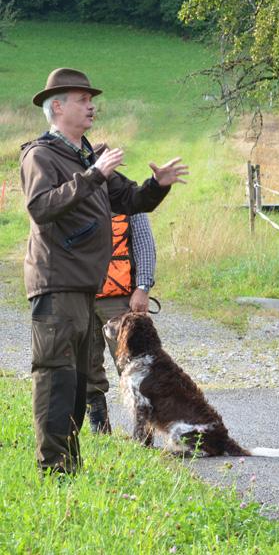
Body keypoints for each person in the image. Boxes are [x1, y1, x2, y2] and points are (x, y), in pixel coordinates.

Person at [21, 67, 188, 475]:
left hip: (84, 286)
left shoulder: (87, 155)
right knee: (56, 379)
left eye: (90, 99)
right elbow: (41, 206)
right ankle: (54, 470)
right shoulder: (40, 155)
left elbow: (131, 200)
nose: (91, 105)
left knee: (78, 382)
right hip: (56, 284)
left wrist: (157, 183)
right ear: (57, 107)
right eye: (81, 99)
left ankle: (69, 468)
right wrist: (93, 174)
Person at [85, 211, 156, 434]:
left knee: (134, 365)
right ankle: (100, 429)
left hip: (121, 298)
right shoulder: (73, 192)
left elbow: (145, 244)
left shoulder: (127, 197)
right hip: (81, 296)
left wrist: (143, 287)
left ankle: (144, 433)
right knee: (86, 364)